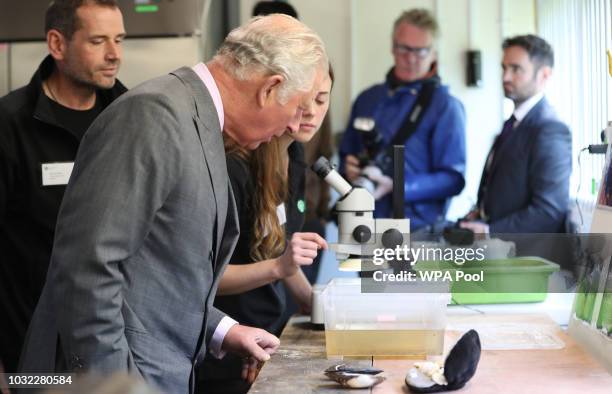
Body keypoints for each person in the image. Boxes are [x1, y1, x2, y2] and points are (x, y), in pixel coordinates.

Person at [18, 14, 328, 394]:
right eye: (298, 107)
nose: (295, 126)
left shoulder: (202, 125)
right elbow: (87, 268)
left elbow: (155, 276)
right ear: (270, 88)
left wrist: (224, 330)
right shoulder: (154, 115)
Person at [0, 0, 127, 374]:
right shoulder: (10, 125)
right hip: (30, 348)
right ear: (57, 44)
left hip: (113, 345)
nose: (114, 55)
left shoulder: (129, 114)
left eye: (119, 39)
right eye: (98, 41)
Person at [198, 65, 334, 394]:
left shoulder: (296, 155)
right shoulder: (234, 168)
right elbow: (204, 279)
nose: (311, 113)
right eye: (304, 100)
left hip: (266, 334)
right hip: (225, 343)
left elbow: (279, 248)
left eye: (322, 100)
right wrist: (277, 268)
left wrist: (318, 305)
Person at [339, 8, 466, 231]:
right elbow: (345, 156)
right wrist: (348, 170)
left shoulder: (445, 106)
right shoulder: (367, 99)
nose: (410, 58)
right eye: (403, 48)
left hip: (416, 230)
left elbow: (453, 179)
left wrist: (398, 186)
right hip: (363, 225)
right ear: (392, 46)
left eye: (421, 51)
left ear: (434, 53)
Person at [460, 34, 571, 234]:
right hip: (500, 249)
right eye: (504, 68)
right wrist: (482, 214)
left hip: (526, 257)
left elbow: (549, 211)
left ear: (544, 75)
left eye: (516, 69)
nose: (506, 77)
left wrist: (490, 232)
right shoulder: (513, 123)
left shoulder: (551, 129)